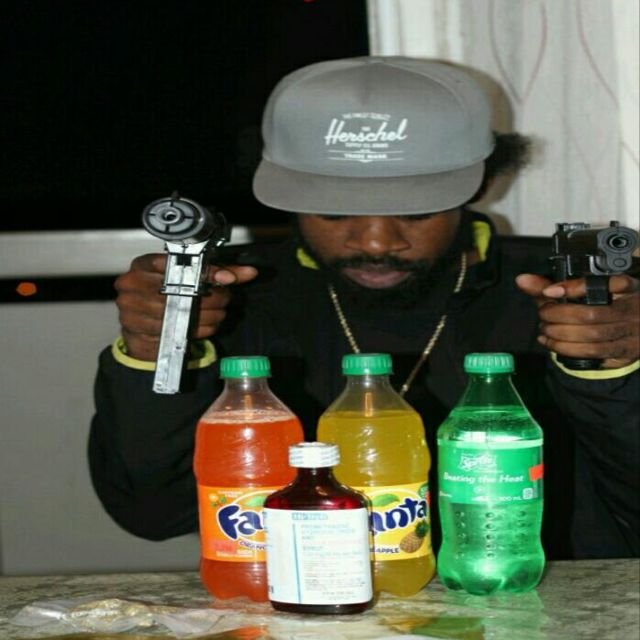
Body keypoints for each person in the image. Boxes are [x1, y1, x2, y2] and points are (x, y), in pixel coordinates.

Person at [89, 57, 639, 560]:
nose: (377, 241)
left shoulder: (572, 293)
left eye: (415, 211)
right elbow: (154, 513)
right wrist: (154, 352)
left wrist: (614, 370)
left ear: (477, 186)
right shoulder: (231, 297)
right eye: (335, 213)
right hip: (310, 603)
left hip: (545, 598)